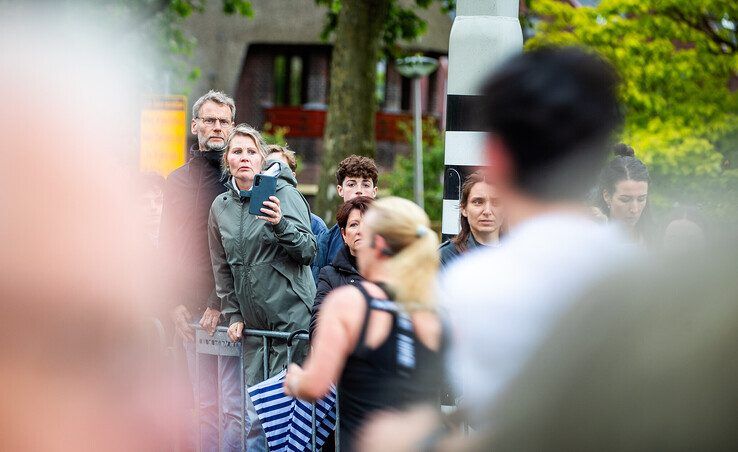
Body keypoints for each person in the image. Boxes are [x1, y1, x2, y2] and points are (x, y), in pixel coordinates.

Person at [437, 47, 637, 429]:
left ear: (495, 157)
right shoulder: (647, 276)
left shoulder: (474, 287)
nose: (486, 209)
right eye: (477, 201)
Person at [284, 197, 447, 451]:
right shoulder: (434, 308)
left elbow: (315, 386)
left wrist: (295, 380)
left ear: (379, 244)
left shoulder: (349, 304)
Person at [158, 90, 236, 451]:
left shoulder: (238, 181)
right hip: (187, 316)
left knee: (234, 409)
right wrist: (171, 303)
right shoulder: (175, 181)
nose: (216, 127)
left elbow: (238, 250)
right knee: (202, 406)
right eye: (209, 120)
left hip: (229, 310)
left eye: (223, 121)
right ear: (195, 126)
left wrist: (218, 302)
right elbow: (165, 247)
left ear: (232, 126)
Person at [310, 195, 374, 338]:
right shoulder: (329, 275)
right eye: (353, 225)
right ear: (344, 234)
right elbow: (317, 325)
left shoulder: (392, 273)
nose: (360, 231)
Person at [311, 155, 379, 281]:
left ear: (374, 191)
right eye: (351, 184)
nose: (359, 191)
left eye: (365, 185)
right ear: (340, 190)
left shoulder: (390, 235)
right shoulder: (326, 242)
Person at [439, 171, 504, 268]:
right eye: (478, 202)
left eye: (496, 202)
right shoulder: (446, 257)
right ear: (464, 209)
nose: (487, 211)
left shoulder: (522, 255)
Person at [266, 144, 328, 239]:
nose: (273, 173)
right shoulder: (251, 216)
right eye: (267, 168)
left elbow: (312, 251)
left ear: (292, 176)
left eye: (279, 169)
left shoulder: (315, 224)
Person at [595, 143, 653, 245]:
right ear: (607, 196)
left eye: (641, 199)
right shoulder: (590, 238)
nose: (634, 209)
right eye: (625, 200)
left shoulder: (657, 237)